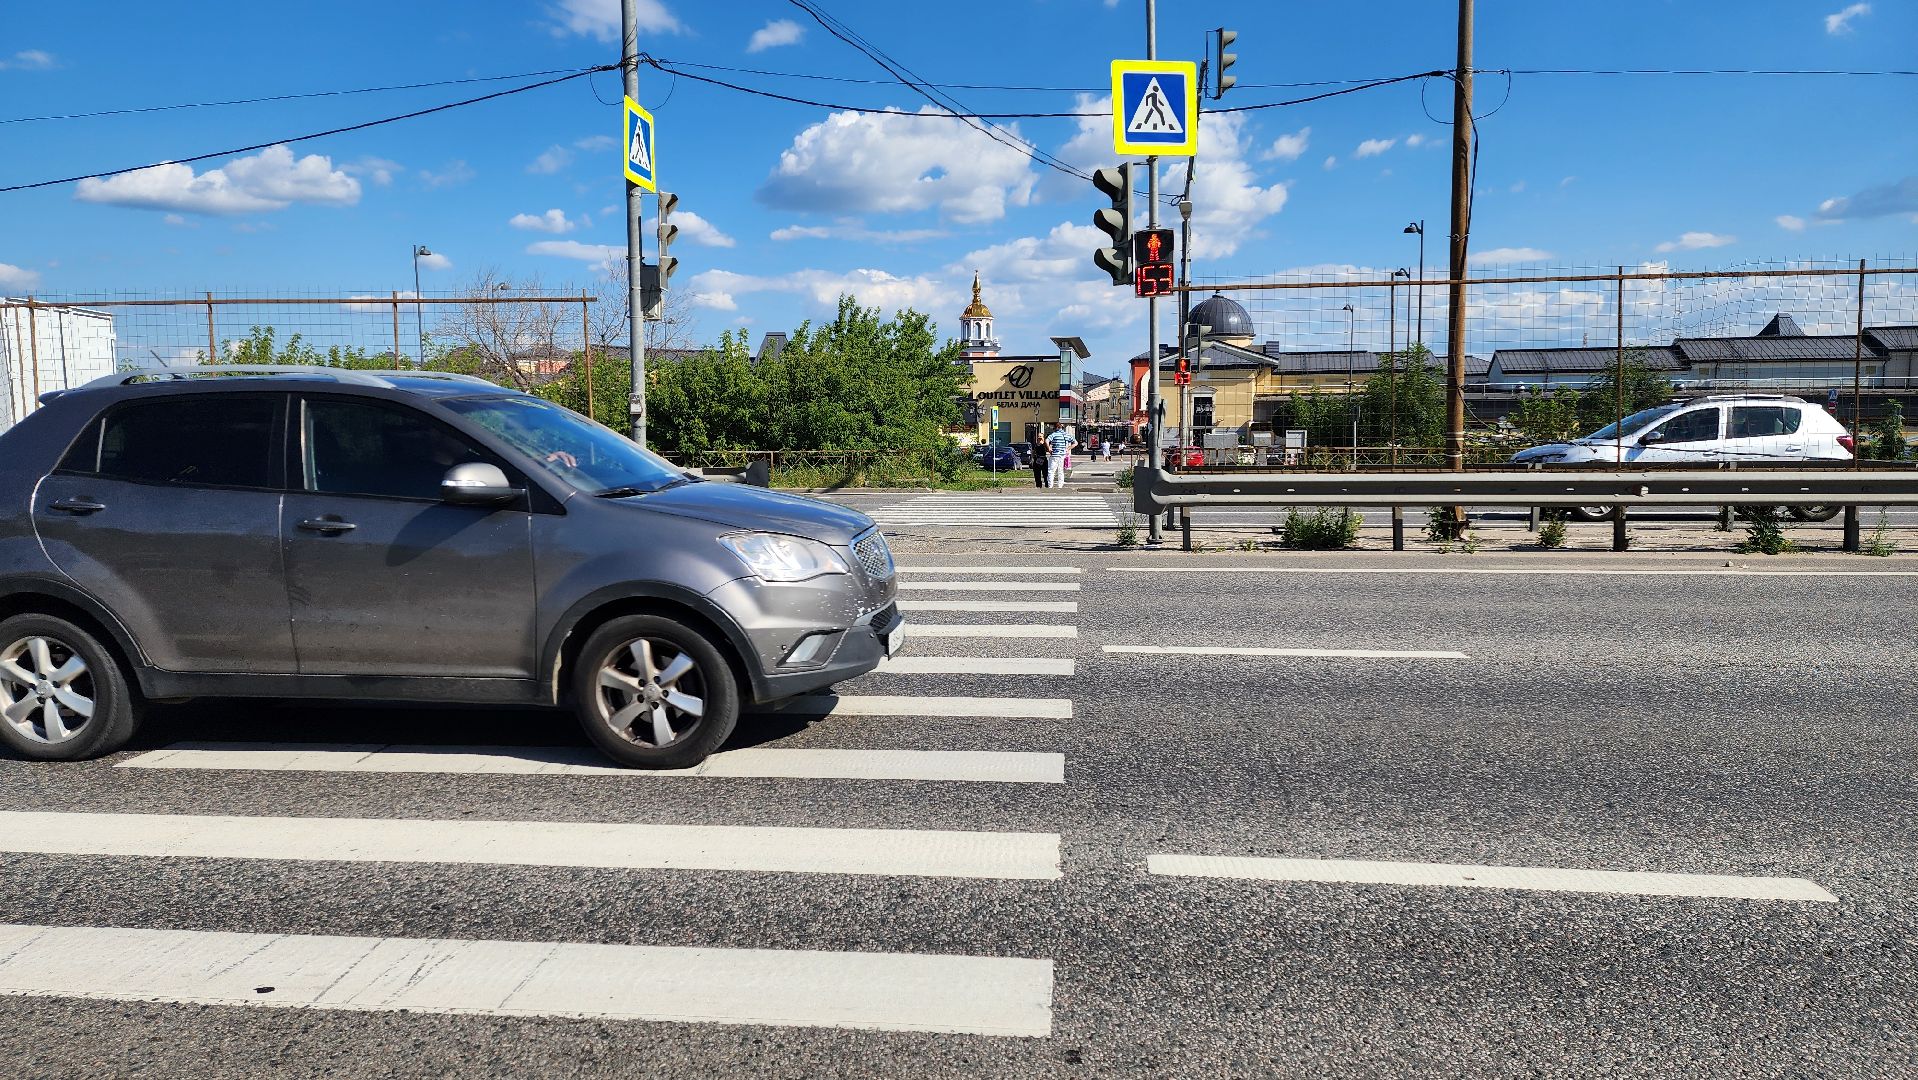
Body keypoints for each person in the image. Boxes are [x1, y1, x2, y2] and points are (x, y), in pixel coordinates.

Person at [1044, 422, 1077, 489]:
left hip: (1054, 455)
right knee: (1060, 471)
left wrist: (1049, 449)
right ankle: (1060, 486)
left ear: (1056, 428)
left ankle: (1050, 485)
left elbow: (1046, 440)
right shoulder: (1066, 435)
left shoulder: (1054, 434)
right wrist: (1068, 448)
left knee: (1051, 471)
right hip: (1062, 456)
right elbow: (1075, 443)